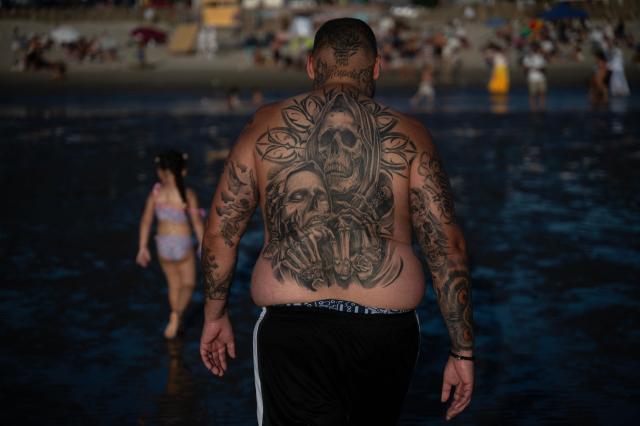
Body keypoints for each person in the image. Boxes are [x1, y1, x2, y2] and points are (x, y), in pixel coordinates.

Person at [199, 18, 475, 424]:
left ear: (311, 65)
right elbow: (447, 247)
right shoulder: (412, 135)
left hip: (293, 328)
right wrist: (462, 350)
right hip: (386, 331)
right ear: (377, 67)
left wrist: (214, 315)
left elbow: (222, 231)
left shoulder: (264, 126)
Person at [136, 150, 204, 339]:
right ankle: (177, 315)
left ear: (160, 172)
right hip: (182, 244)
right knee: (189, 284)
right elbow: (197, 223)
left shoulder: (156, 193)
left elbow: (146, 221)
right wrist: (203, 245)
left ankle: (175, 319)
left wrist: (142, 247)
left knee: (173, 285)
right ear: (183, 171)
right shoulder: (187, 194)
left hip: (163, 245)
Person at [522, 42, 547, 111]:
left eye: (536, 47)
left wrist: (535, 68)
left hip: (541, 78)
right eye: (534, 48)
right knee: (532, 94)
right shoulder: (527, 57)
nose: (535, 49)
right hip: (532, 78)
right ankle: (533, 108)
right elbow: (525, 69)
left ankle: (542, 107)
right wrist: (532, 69)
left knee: (542, 93)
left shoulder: (541, 57)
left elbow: (544, 69)